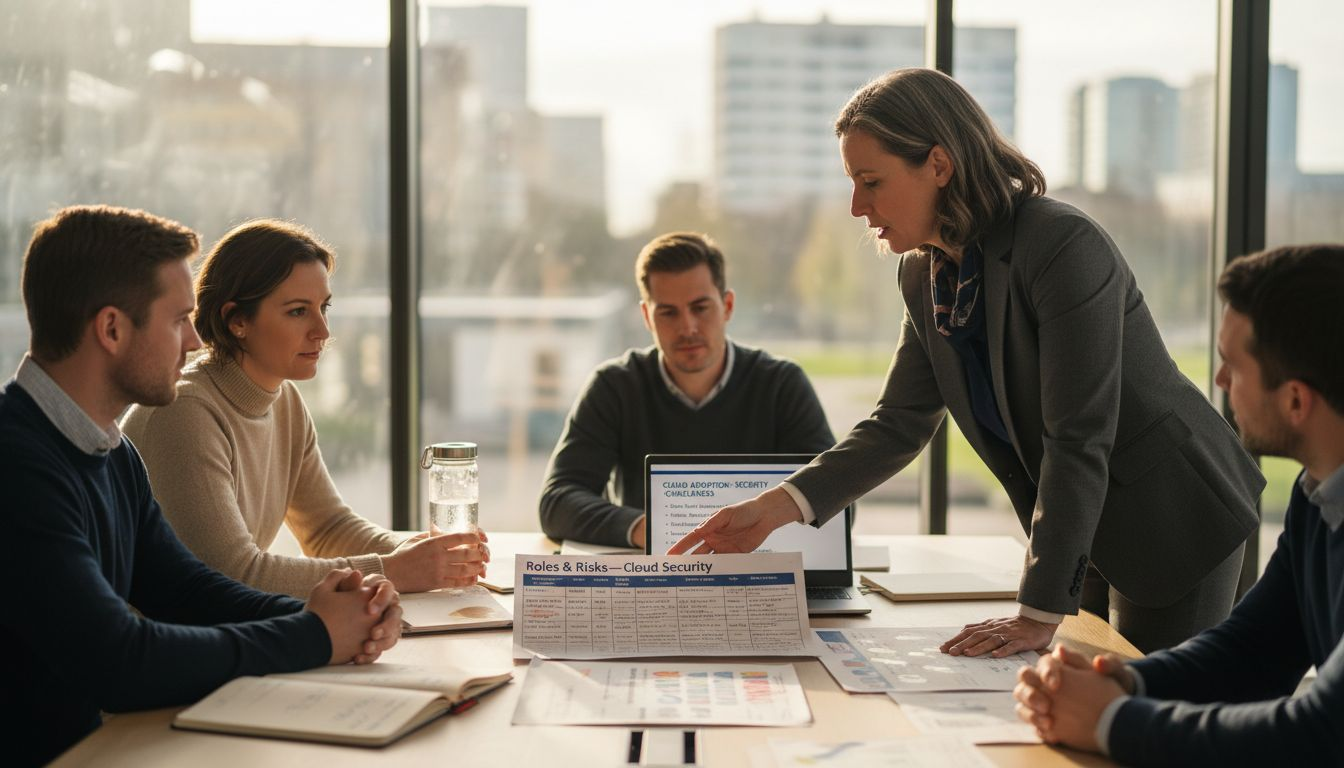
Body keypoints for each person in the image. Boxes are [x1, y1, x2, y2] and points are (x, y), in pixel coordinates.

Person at [670, 68, 1265, 655]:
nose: (856, 206)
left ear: (938, 164)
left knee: (1148, 718)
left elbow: (1078, 433)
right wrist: (773, 510)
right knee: (1078, 709)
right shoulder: (923, 271)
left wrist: (1036, 612)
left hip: (1172, 517)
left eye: (870, 181)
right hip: (1080, 523)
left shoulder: (1062, 245)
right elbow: (899, 422)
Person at [2, 205, 403, 767]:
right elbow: (120, 661)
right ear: (112, 328)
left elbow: (189, 590)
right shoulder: (17, 465)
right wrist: (313, 636)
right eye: (178, 320)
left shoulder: (111, 453)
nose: (195, 341)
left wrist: (330, 613)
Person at [1013, 244, 1344, 765]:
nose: (1218, 382)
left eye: (1233, 367)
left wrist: (1110, 721)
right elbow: (1253, 650)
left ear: (1296, 401)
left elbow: (1321, 733)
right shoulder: (1319, 493)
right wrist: (1121, 680)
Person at [122, 219, 488, 597]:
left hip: (224, 632)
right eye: (298, 311)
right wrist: (394, 570)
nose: (322, 331)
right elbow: (232, 574)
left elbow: (327, 528)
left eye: (323, 307)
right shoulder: (185, 412)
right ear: (237, 321)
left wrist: (424, 554)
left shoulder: (284, 401)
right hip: (166, 646)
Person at [539, 231, 835, 547]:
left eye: (700, 307)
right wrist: (649, 530)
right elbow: (557, 502)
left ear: (728, 306)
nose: (687, 327)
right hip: (653, 573)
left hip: (760, 567)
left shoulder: (781, 385)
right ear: (646, 317)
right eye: (668, 312)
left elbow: (836, 499)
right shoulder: (615, 387)